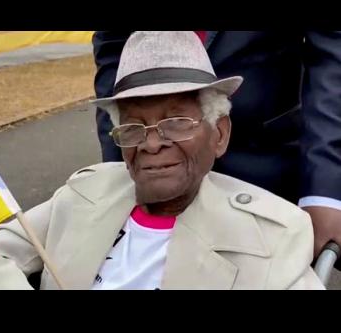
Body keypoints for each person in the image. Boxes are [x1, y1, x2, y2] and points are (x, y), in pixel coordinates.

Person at [0, 32, 323, 290]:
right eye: (134, 127)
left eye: (177, 122)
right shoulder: (85, 192)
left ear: (219, 133)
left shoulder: (273, 234)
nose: (152, 144)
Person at [93, 31, 341, 262]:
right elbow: (114, 47)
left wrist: (324, 190)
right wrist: (120, 170)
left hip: (264, 163)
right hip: (154, 182)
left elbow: (331, 53)